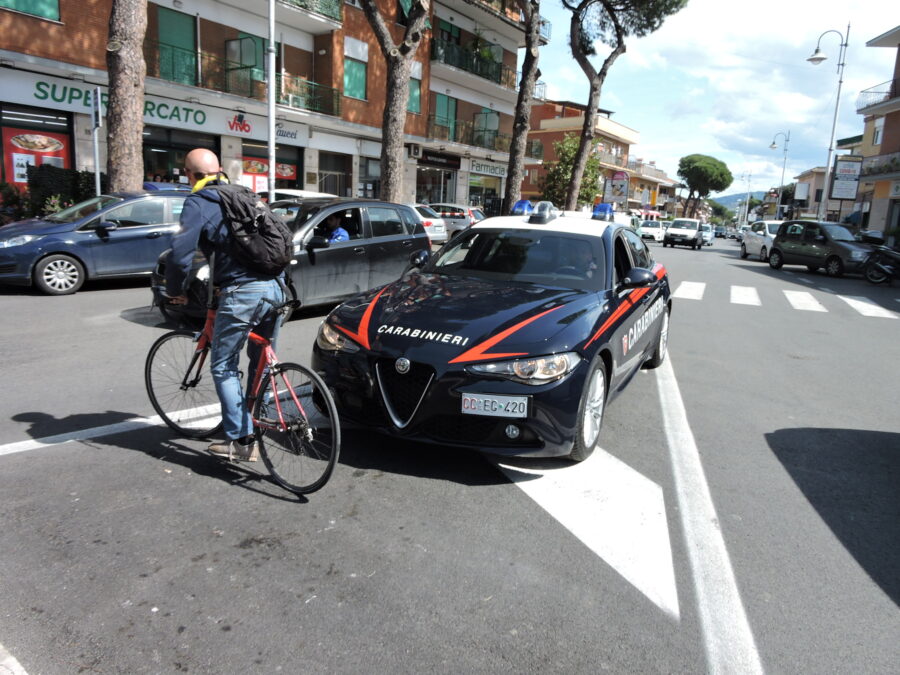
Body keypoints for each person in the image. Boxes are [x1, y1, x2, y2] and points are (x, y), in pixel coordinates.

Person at [165, 148, 285, 462]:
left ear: (188, 175)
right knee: (261, 357)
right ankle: (254, 418)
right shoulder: (243, 193)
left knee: (222, 365)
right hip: (277, 286)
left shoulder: (199, 201)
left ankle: (243, 442)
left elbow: (181, 253)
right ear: (219, 169)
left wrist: (176, 290)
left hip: (243, 291)